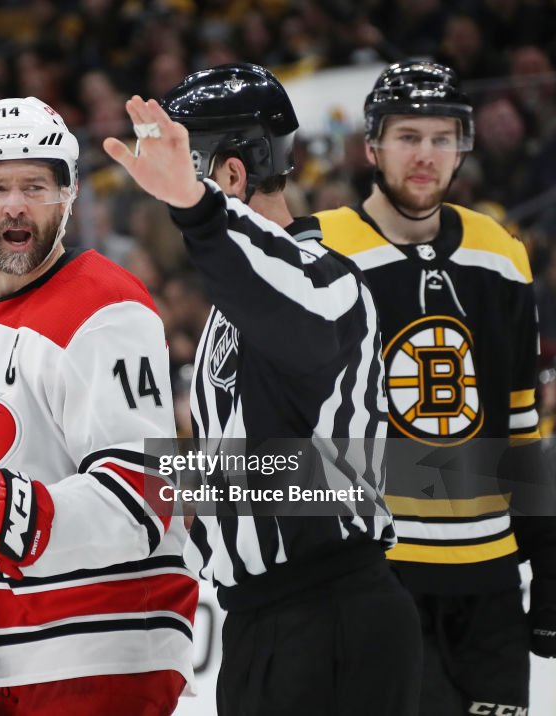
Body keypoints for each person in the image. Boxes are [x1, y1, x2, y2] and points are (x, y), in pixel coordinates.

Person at [103, 63, 422, 715]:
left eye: (184, 173)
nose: (169, 204)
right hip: (258, 624)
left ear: (229, 175)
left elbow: (294, 327)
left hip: (333, 620)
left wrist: (199, 213)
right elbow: (241, 471)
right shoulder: (230, 308)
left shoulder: (329, 283)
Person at [0, 96, 198, 715]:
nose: (15, 205)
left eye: (35, 185)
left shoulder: (109, 306)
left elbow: (143, 499)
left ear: (69, 194)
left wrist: (5, 508)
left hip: (98, 652)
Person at [315, 60, 556, 715]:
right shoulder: (318, 252)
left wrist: (549, 568)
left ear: (463, 148)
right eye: (408, 136)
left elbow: (522, 425)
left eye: (443, 138)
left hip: (491, 587)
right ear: (372, 146)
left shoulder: (501, 254)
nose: (426, 155)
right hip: (375, 583)